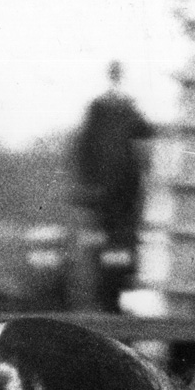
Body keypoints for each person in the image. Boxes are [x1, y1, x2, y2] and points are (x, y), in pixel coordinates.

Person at [72, 61, 154, 311]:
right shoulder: (98, 110)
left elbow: (146, 136)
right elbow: (84, 149)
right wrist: (89, 186)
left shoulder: (130, 110)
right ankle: (104, 296)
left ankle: (114, 295)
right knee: (102, 251)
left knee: (119, 252)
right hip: (103, 200)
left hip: (124, 198)